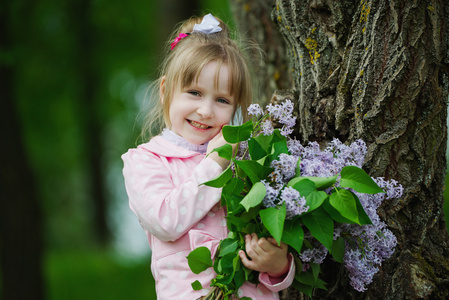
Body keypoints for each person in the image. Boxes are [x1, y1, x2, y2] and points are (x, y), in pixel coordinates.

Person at [122, 13, 295, 299]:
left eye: (222, 100)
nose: (205, 111)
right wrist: (214, 163)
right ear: (166, 91)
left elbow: (275, 231)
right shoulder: (145, 161)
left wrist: (279, 267)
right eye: (194, 93)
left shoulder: (251, 160)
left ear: (237, 107)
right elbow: (164, 221)